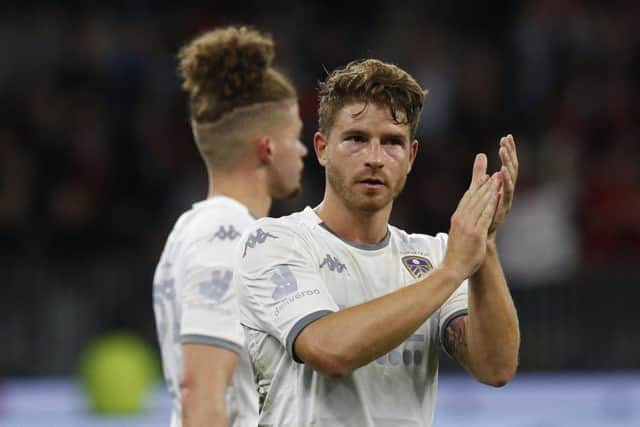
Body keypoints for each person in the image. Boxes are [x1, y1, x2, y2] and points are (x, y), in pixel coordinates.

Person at [233, 59, 520, 426]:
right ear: (322, 148)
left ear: (411, 156)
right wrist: (451, 272)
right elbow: (328, 351)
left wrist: (487, 242)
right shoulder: (274, 242)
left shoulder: (431, 256)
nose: (374, 158)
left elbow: (495, 367)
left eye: (392, 142)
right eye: (356, 139)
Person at [152, 26, 307, 427]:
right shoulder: (226, 236)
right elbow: (200, 390)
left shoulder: (196, 229)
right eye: (297, 136)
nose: (304, 150)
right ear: (268, 147)